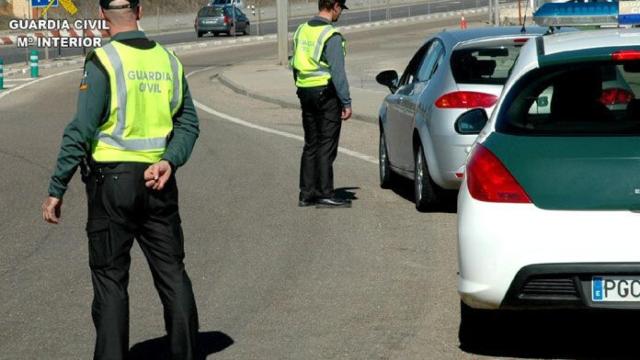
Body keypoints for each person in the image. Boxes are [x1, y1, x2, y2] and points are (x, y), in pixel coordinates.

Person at [41, 1, 200, 359]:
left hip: (111, 184)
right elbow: (189, 124)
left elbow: (81, 129)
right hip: (158, 181)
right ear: (140, 11)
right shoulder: (169, 60)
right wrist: (169, 161)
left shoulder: (104, 60)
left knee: (111, 281)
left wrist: (56, 188)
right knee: (172, 274)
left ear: (102, 15)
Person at [291, 0, 353, 208]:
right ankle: (325, 193)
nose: (340, 14)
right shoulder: (331, 35)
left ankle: (306, 193)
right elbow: (338, 73)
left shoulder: (302, 30)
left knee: (311, 144)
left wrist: (301, 87)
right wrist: (346, 101)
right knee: (326, 145)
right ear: (334, 6)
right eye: (340, 9)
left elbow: (295, 63)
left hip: (305, 91)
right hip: (326, 94)